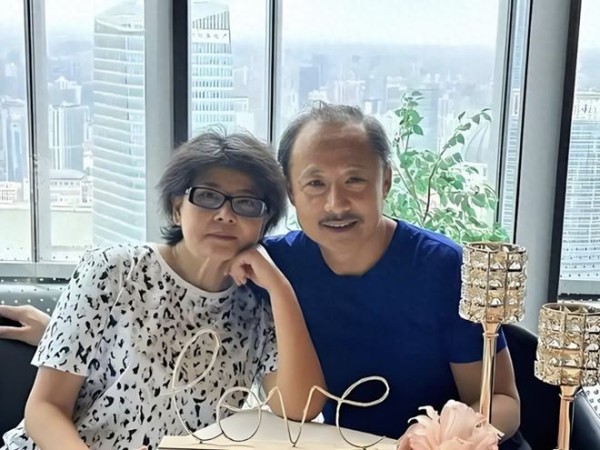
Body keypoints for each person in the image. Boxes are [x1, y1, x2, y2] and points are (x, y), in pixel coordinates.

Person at [2, 103, 527, 449]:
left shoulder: (439, 268)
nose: (335, 203)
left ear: (385, 181)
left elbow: (501, 401)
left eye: (354, 181)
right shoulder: (250, 269)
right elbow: (153, 316)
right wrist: (61, 334)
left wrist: (449, 440)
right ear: (293, 195)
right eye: (315, 184)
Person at [0, 131, 325, 450]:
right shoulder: (114, 269)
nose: (226, 215)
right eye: (208, 196)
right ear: (176, 208)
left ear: (264, 221)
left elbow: (301, 408)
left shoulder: (258, 304)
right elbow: (45, 409)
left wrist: (280, 288)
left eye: (247, 203)